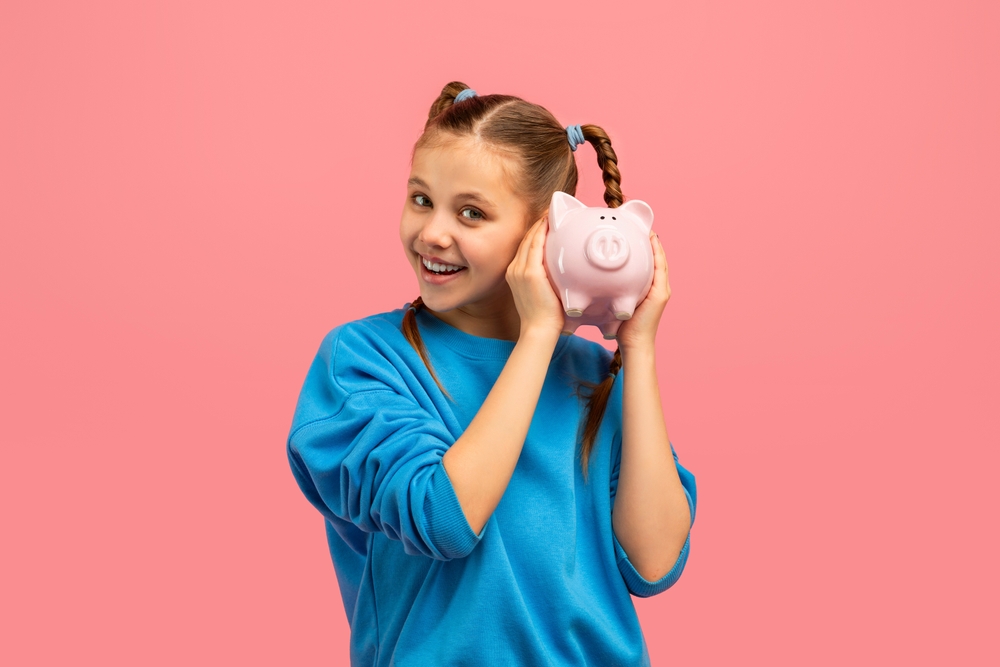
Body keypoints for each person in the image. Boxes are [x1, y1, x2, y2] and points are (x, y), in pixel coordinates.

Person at [286, 81, 697, 667]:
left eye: (471, 213)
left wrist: (640, 349)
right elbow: (443, 521)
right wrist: (538, 334)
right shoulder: (362, 360)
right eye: (421, 199)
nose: (432, 233)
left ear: (543, 234)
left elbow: (654, 563)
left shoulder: (594, 375)